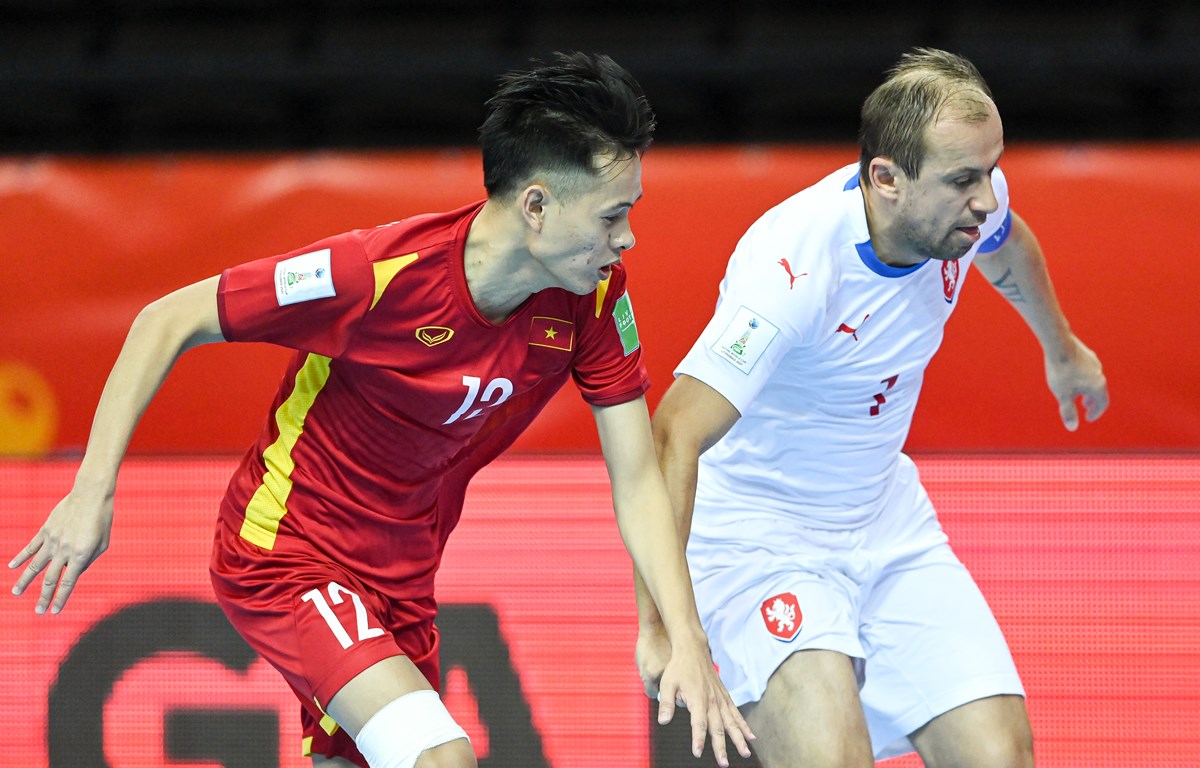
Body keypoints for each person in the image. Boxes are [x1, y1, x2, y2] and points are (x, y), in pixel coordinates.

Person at [9, 52, 754, 768]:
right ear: (536, 205)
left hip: (402, 585)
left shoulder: (593, 296)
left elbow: (637, 478)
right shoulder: (375, 276)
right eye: (611, 216)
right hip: (288, 554)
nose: (625, 238)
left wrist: (679, 632)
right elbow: (166, 320)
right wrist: (91, 492)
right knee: (440, 755)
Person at [634, 48, 1109, 767]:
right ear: (885, 179)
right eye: (963, 180)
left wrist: (1063, 348)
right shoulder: (793, 270)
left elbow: (1007, 246)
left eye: (991, 169)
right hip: (764, 544)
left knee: (1000, 757)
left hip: (887, 525)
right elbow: (672, 434)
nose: (985, 197)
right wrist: (666, 624)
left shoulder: (963, 203)